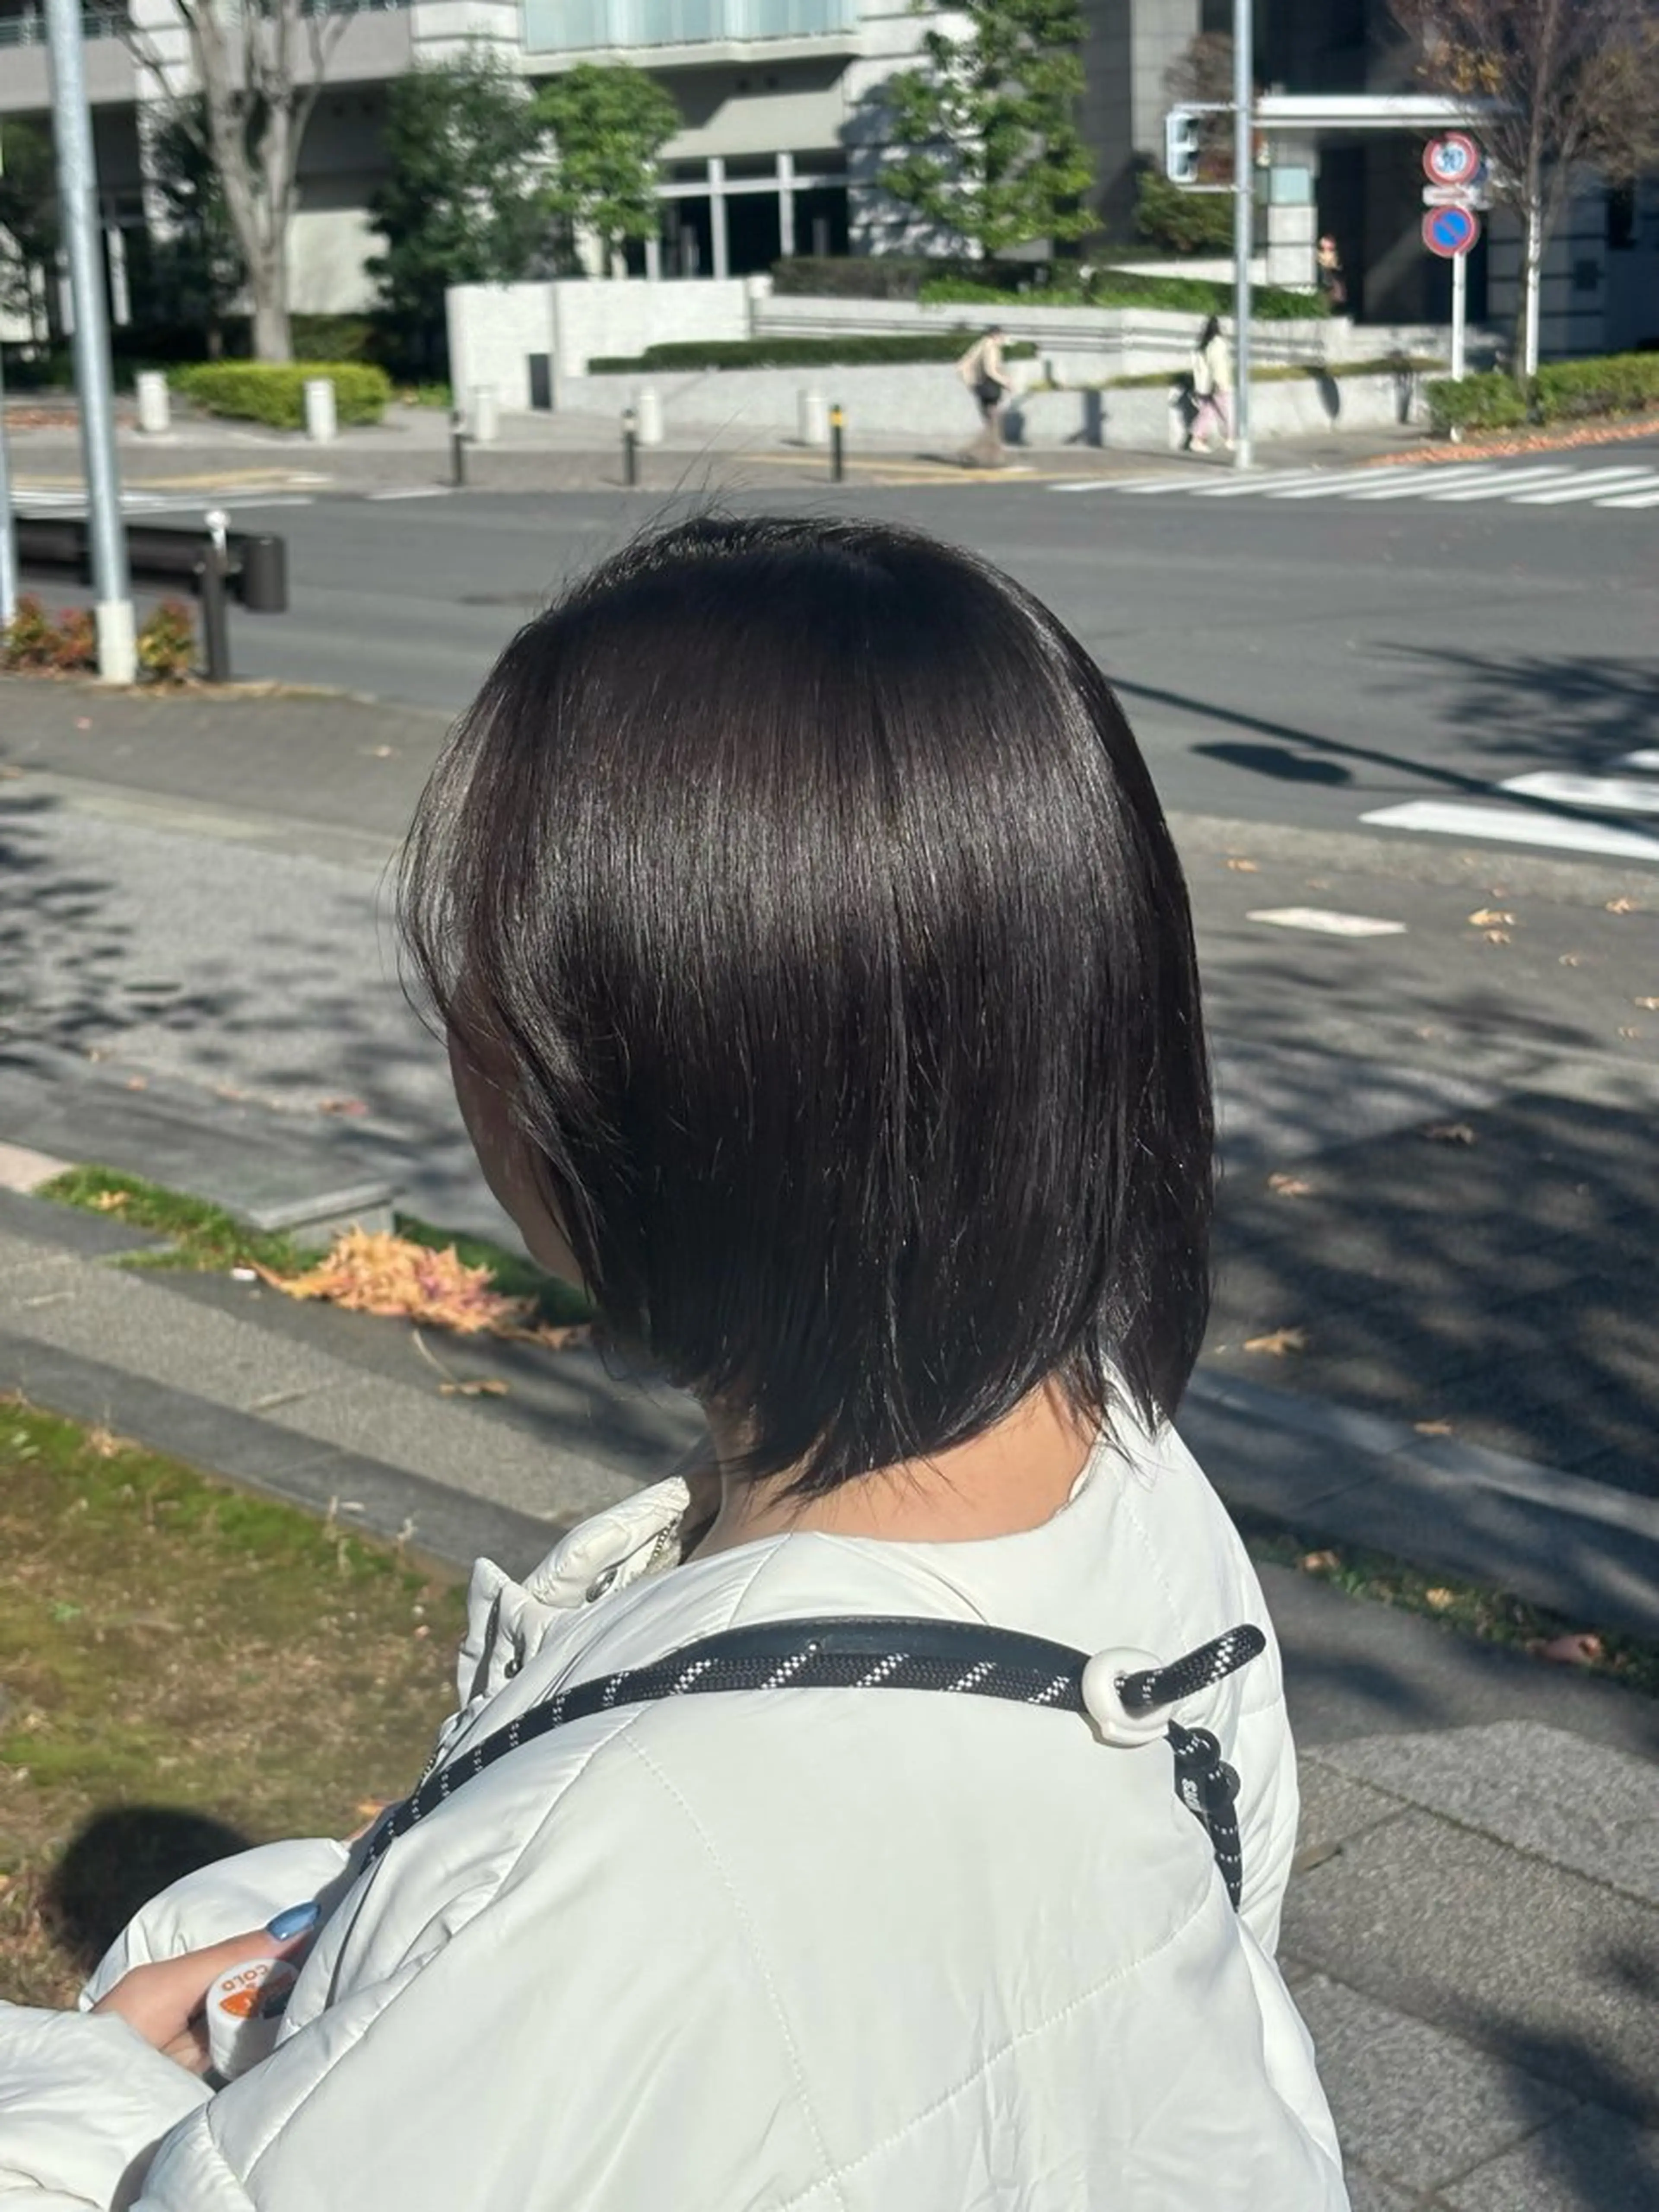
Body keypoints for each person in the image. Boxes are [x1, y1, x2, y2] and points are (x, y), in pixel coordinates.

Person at [0, 518, 1348, 2211]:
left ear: (653, 1083)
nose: (459, 1026)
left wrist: (99, 2077)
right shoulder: (1127, 1470)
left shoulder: (605, 1872)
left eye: (487, 969)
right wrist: (364, 1925)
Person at [956, 322, 1013, 462]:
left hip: (981, 386)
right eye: (1001, 336)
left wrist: (971, 383)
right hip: (989, 387)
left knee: (993, 421)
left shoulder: (981, 345)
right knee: (993, 421)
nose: (1003, 339)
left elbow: (962, 365)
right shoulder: (991, 348)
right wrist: (1006, 382)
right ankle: (970, 451)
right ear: (995, 335)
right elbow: (990, 370)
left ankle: (996, 455)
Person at [1188, 314, 1235, 453]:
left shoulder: (1203, 345)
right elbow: (1218, 365)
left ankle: (1197, 439)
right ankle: (1231, 439)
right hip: (1217, 385)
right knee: (1226, 412)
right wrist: (1221, 383)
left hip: (1204, 386)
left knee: (1207, 413)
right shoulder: (1218, 344)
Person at [1316, 235, 1348, 311]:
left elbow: (1335, 264)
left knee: (1336, 291)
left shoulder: (1334, 254)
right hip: (1325, 274)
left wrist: (1336, 267)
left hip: (1333, 274)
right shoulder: (1319, 253)